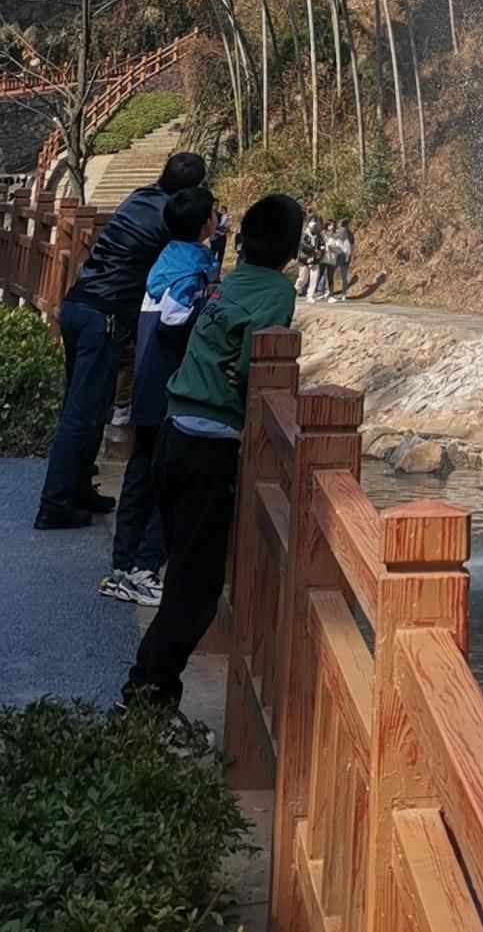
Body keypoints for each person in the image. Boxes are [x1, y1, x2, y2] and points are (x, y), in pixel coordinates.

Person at [123, 192, 304, 715]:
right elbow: (257, 359)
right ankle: (148, 698)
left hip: (174, 429)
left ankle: (148, 688)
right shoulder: (277, 290)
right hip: (209, 443)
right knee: (198, 588)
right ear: (291, 249)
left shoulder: (233, 277)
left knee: (183, 572)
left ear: (244, 239)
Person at [36, 148, 207, 530]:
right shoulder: (171, 220)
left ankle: (79, 487)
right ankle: (54, 503)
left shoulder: (137, 197)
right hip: (105, 316)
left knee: (89, 405)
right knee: (83, 412)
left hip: (79, 305)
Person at [101, 183, 216, 604]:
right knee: (169, 483)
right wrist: (207, 313)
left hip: (146, 383)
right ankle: (146, 568)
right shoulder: (192, 267)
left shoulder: (167, 256)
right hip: (169, 385)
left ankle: (121, 566)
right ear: (207, 222)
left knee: (138, 475)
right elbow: (174, 319)